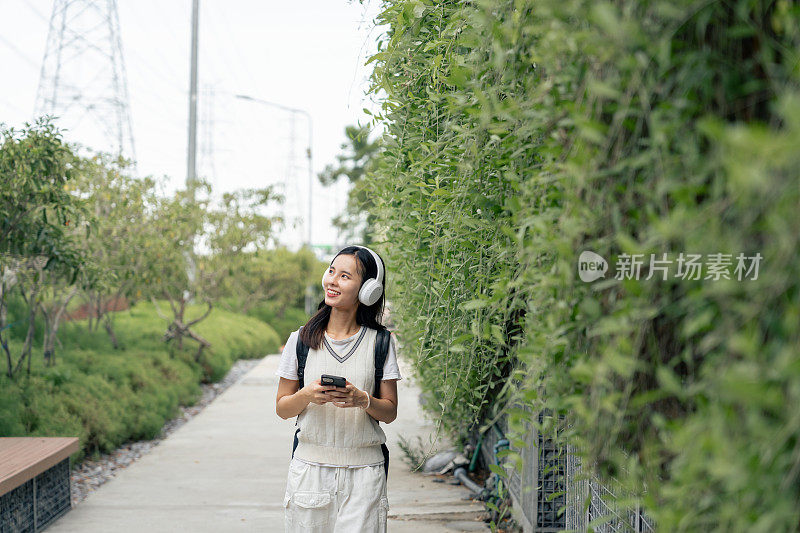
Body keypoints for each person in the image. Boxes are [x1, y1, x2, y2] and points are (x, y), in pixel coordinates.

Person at [275, 245, 402, 532]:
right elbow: (282, 408)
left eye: (345, 276)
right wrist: (307, 394)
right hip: (310, 470)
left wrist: (363, 399)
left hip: (365, 473)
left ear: (368, 289)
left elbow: (390, 412)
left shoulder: (381, 343)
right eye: (332, 271)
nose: (332, 281)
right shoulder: (301, 340)